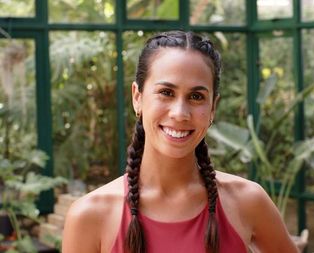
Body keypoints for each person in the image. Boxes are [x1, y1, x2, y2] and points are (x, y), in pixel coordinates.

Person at [62, 30, 299, 253]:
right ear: (137, 97)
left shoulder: (247, 202)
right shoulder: (90, 215)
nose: (180, 113)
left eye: (196, 97)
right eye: (166, 92)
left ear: (213, 107)